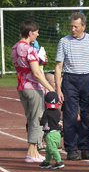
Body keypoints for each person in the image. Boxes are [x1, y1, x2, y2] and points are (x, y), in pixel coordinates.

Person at [54, 12, 89, 161]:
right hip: (70, 79)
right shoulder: (64, 41)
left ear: (83, 26)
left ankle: (85, 147)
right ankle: (71, 148)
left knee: (87, 116)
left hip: (88, 79)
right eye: (71, 26)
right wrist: (58, 89)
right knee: (70, 116)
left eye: (76, 26)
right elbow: (58, 67)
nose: (73, 29)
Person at [11, 20, 56, 163]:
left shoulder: (14, 47)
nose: (37, 34)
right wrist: (51, 88)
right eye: (36, 32)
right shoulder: (30, 49)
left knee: (31, 118)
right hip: (33, 87)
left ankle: (34, 152)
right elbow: (36, 73)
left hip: (21, 86)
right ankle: (31, 152)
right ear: (30, 33)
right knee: (37, 119)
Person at [38, 92, 64, 170]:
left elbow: (43, 123)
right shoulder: (58, 112)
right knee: (49, 149)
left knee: (52, 149)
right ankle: (47, 161)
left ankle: (59, 161)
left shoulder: (46, 112)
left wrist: (40, 120)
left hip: (50, 134)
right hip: (57, 133)